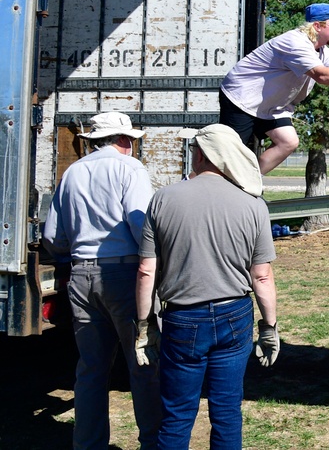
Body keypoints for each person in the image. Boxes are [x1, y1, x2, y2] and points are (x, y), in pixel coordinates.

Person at [135, 124, 279, 450]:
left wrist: (144, 326)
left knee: (177, 415)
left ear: (202, 155)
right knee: (227, 412)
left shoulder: (163, 199)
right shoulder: (254, 204)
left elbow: (146, 271)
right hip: (235, 315)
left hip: (182, 319)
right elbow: (262, 277)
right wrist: (269, 327)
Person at [41, 111, 161, 450]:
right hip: (123, 273)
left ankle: (88, 444)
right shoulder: (129, 169)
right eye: (132, 142)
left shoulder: (72, 173)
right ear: (124, 141)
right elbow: (142, 228)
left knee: (91, 368)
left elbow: (53, 236)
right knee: (142, 361)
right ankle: (153, 441)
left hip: (81, 273)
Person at [219, 3, 329, 174]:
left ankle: (248, 180)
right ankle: (192, 182)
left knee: (288, 142)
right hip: (241, 98)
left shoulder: (323, 52)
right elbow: (321, 75)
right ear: (317, 26)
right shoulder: (294, 42)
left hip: (270, 105)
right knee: (225, 157)